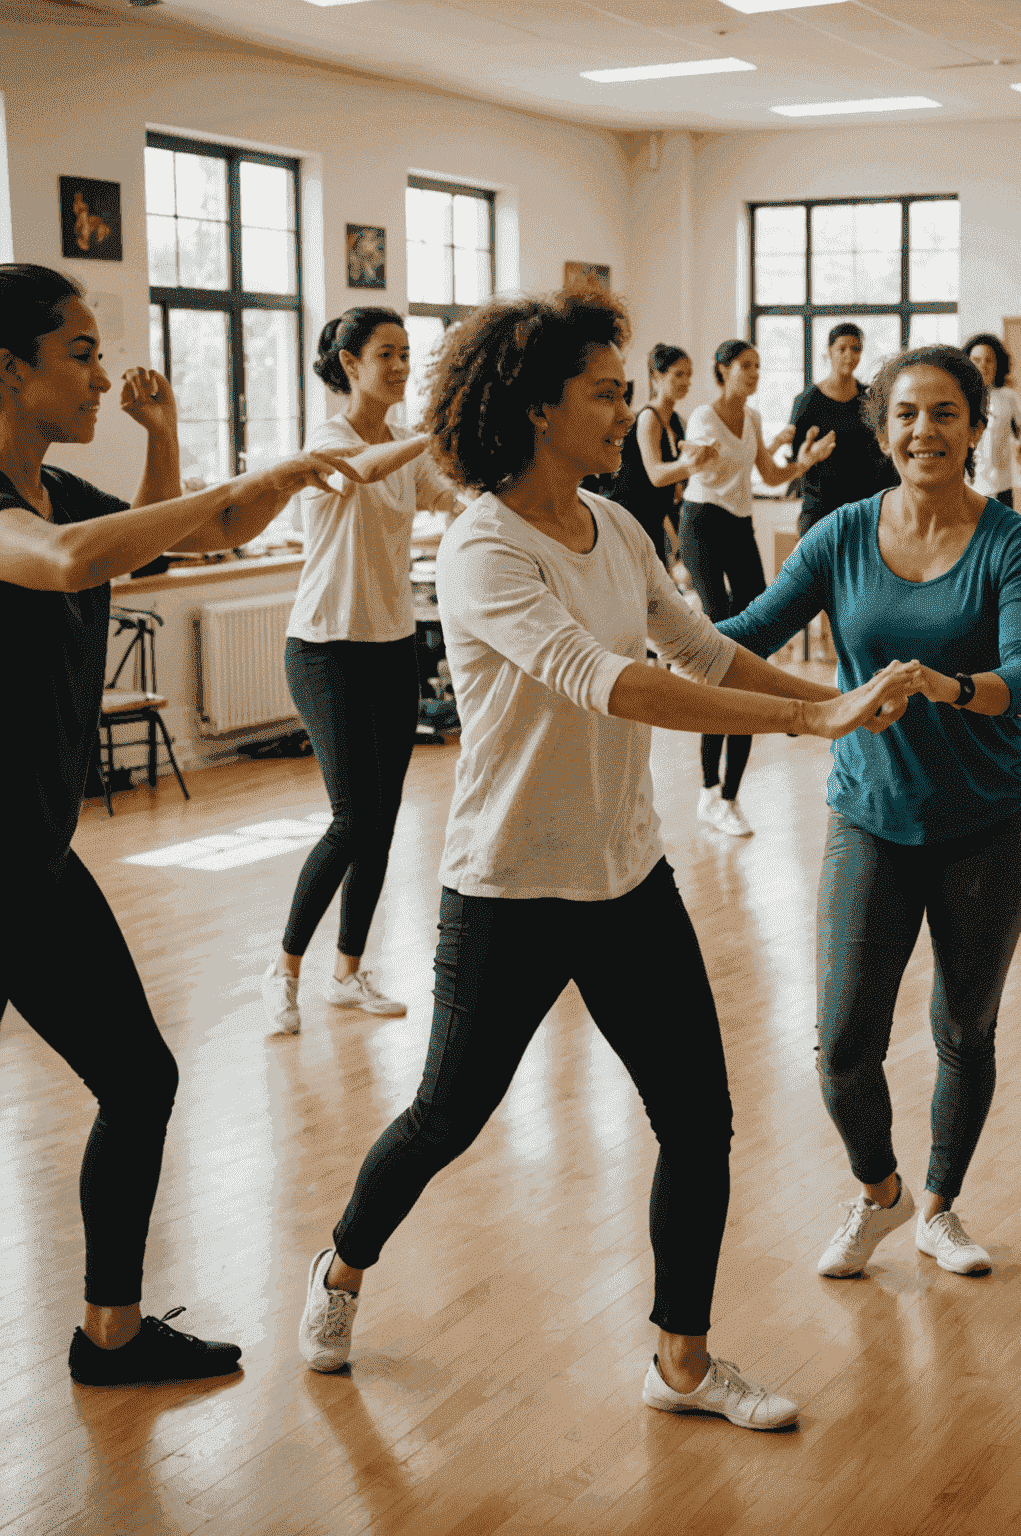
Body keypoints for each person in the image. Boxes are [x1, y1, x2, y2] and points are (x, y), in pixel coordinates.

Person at [295, 288, 920, 1431]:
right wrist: (807, 726)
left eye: (626, 389)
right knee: (446, 1114)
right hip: (508, 890)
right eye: (604, 391)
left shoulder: (617, 525)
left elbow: (700, 650)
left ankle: (681, 1362)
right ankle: (340, 1269)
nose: (626, 408)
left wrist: (830, 700)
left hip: (627, 879)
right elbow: (610, 678)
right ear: (536, 406)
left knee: (699, 1118)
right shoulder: (485, 544)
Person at [0, 263, 375, 1385]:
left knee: (141, 1079)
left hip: (32, 862)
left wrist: (286, 478)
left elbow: (191, 539)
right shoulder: (28, 521)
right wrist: (242, 480)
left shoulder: (62, 497)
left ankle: (110, 1334)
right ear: (7, 370)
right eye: (79, 352)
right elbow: (66, 565)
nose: (102, 373)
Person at [718, 344, 1021, 1280]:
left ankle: (942, 1208)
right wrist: (643, 635)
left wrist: (946, 686)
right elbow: (746, 634)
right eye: (906, 414)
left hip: (986, 823)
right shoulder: (840, 536)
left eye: (946, 413)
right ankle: (881, 1194)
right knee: (842, 1048)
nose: (924, 431)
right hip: (869, 813)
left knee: (962, 1033)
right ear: (882, 428)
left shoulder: (1010, 542)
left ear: (976, 429)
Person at [259, 308, 460, 1035]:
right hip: (324, 647)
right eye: (387, 354)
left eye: (408, 354)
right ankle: (282, 971)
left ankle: (347, 973)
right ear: (350, 363)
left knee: (381, 823)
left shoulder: (408, 450)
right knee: (352, 819)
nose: (402, 367)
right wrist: (426, 440)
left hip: (390, 646)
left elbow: (456, 500)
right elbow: (363, 469)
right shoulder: (330, 439)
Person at [680, 338, 836, 837]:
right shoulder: (704, 418)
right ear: (722, 370)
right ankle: (708, 789)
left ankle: (729, 796)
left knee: (756, 645)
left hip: (740, 526)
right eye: (745, 366)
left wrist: (806, 460)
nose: (754, 373)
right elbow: (695, 463)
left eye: (758, 366)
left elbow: (770, 473)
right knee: (721, 640)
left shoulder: (752, 418)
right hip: (702, 524)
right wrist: (693, 458)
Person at [610, 343, 715, 566]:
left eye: (689, 375)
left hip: (655, 518)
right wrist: (691, 465)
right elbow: (656, 475)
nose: (686, 382)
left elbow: (674, 483)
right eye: (679, 374)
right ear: (657, 376)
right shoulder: (648, 417)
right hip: (631, 518)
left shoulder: (676, 421)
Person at [789, 323, 897, 538]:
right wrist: (810, 453)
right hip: (821, 509)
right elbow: (796, 459)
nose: (849, 356)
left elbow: (884, 449)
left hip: (865, 508)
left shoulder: (870, 398)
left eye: (856, 349)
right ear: (829, 351)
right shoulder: (808, 400)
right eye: (842, 349)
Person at [963, 331, 1021, 511]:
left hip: (1001, 485)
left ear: (998, 364)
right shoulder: (959, 397)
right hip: (966, 486)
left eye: (989, 360)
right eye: (977, 360)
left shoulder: (1009, 398)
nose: (983, 366)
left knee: (1001, 537)